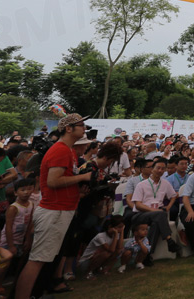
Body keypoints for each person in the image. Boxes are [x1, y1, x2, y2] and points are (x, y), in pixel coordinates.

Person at [15, 112, 94, 299]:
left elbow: (63, 180)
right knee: (37, 260)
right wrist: (84, 177)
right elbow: (53, 181)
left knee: (44, 259)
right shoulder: (60, 150)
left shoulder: (68, 150)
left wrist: (79, 189)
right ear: (68, 129)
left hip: (60, 209)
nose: (85, 129)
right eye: (81, 125)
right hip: (53, 211)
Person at [130, 159, 180, 256]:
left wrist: (169, 206)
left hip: (157, 216)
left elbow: (173, 196)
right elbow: (138, 205)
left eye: (163, 169)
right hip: (140, 215)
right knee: (160, 213)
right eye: (158, 168)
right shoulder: (141, 185)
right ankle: (169, 239)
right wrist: (154, 211)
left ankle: (147, 254)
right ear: (152, 169)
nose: (160, 170)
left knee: (156, 224)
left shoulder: (165, 183)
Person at [77, 215, 124, 279]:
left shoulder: (116, 234)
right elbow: (111, 250)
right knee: (106, 254)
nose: (120, 229)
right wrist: (116, 235)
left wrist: (121, 232)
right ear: (111, 227)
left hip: (96, 260)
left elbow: (120, 248)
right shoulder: (100, 236)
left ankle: (101, 269)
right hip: (86, 262)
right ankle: (87, 273)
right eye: (119, 227)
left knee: (118, 251)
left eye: (122, 227)